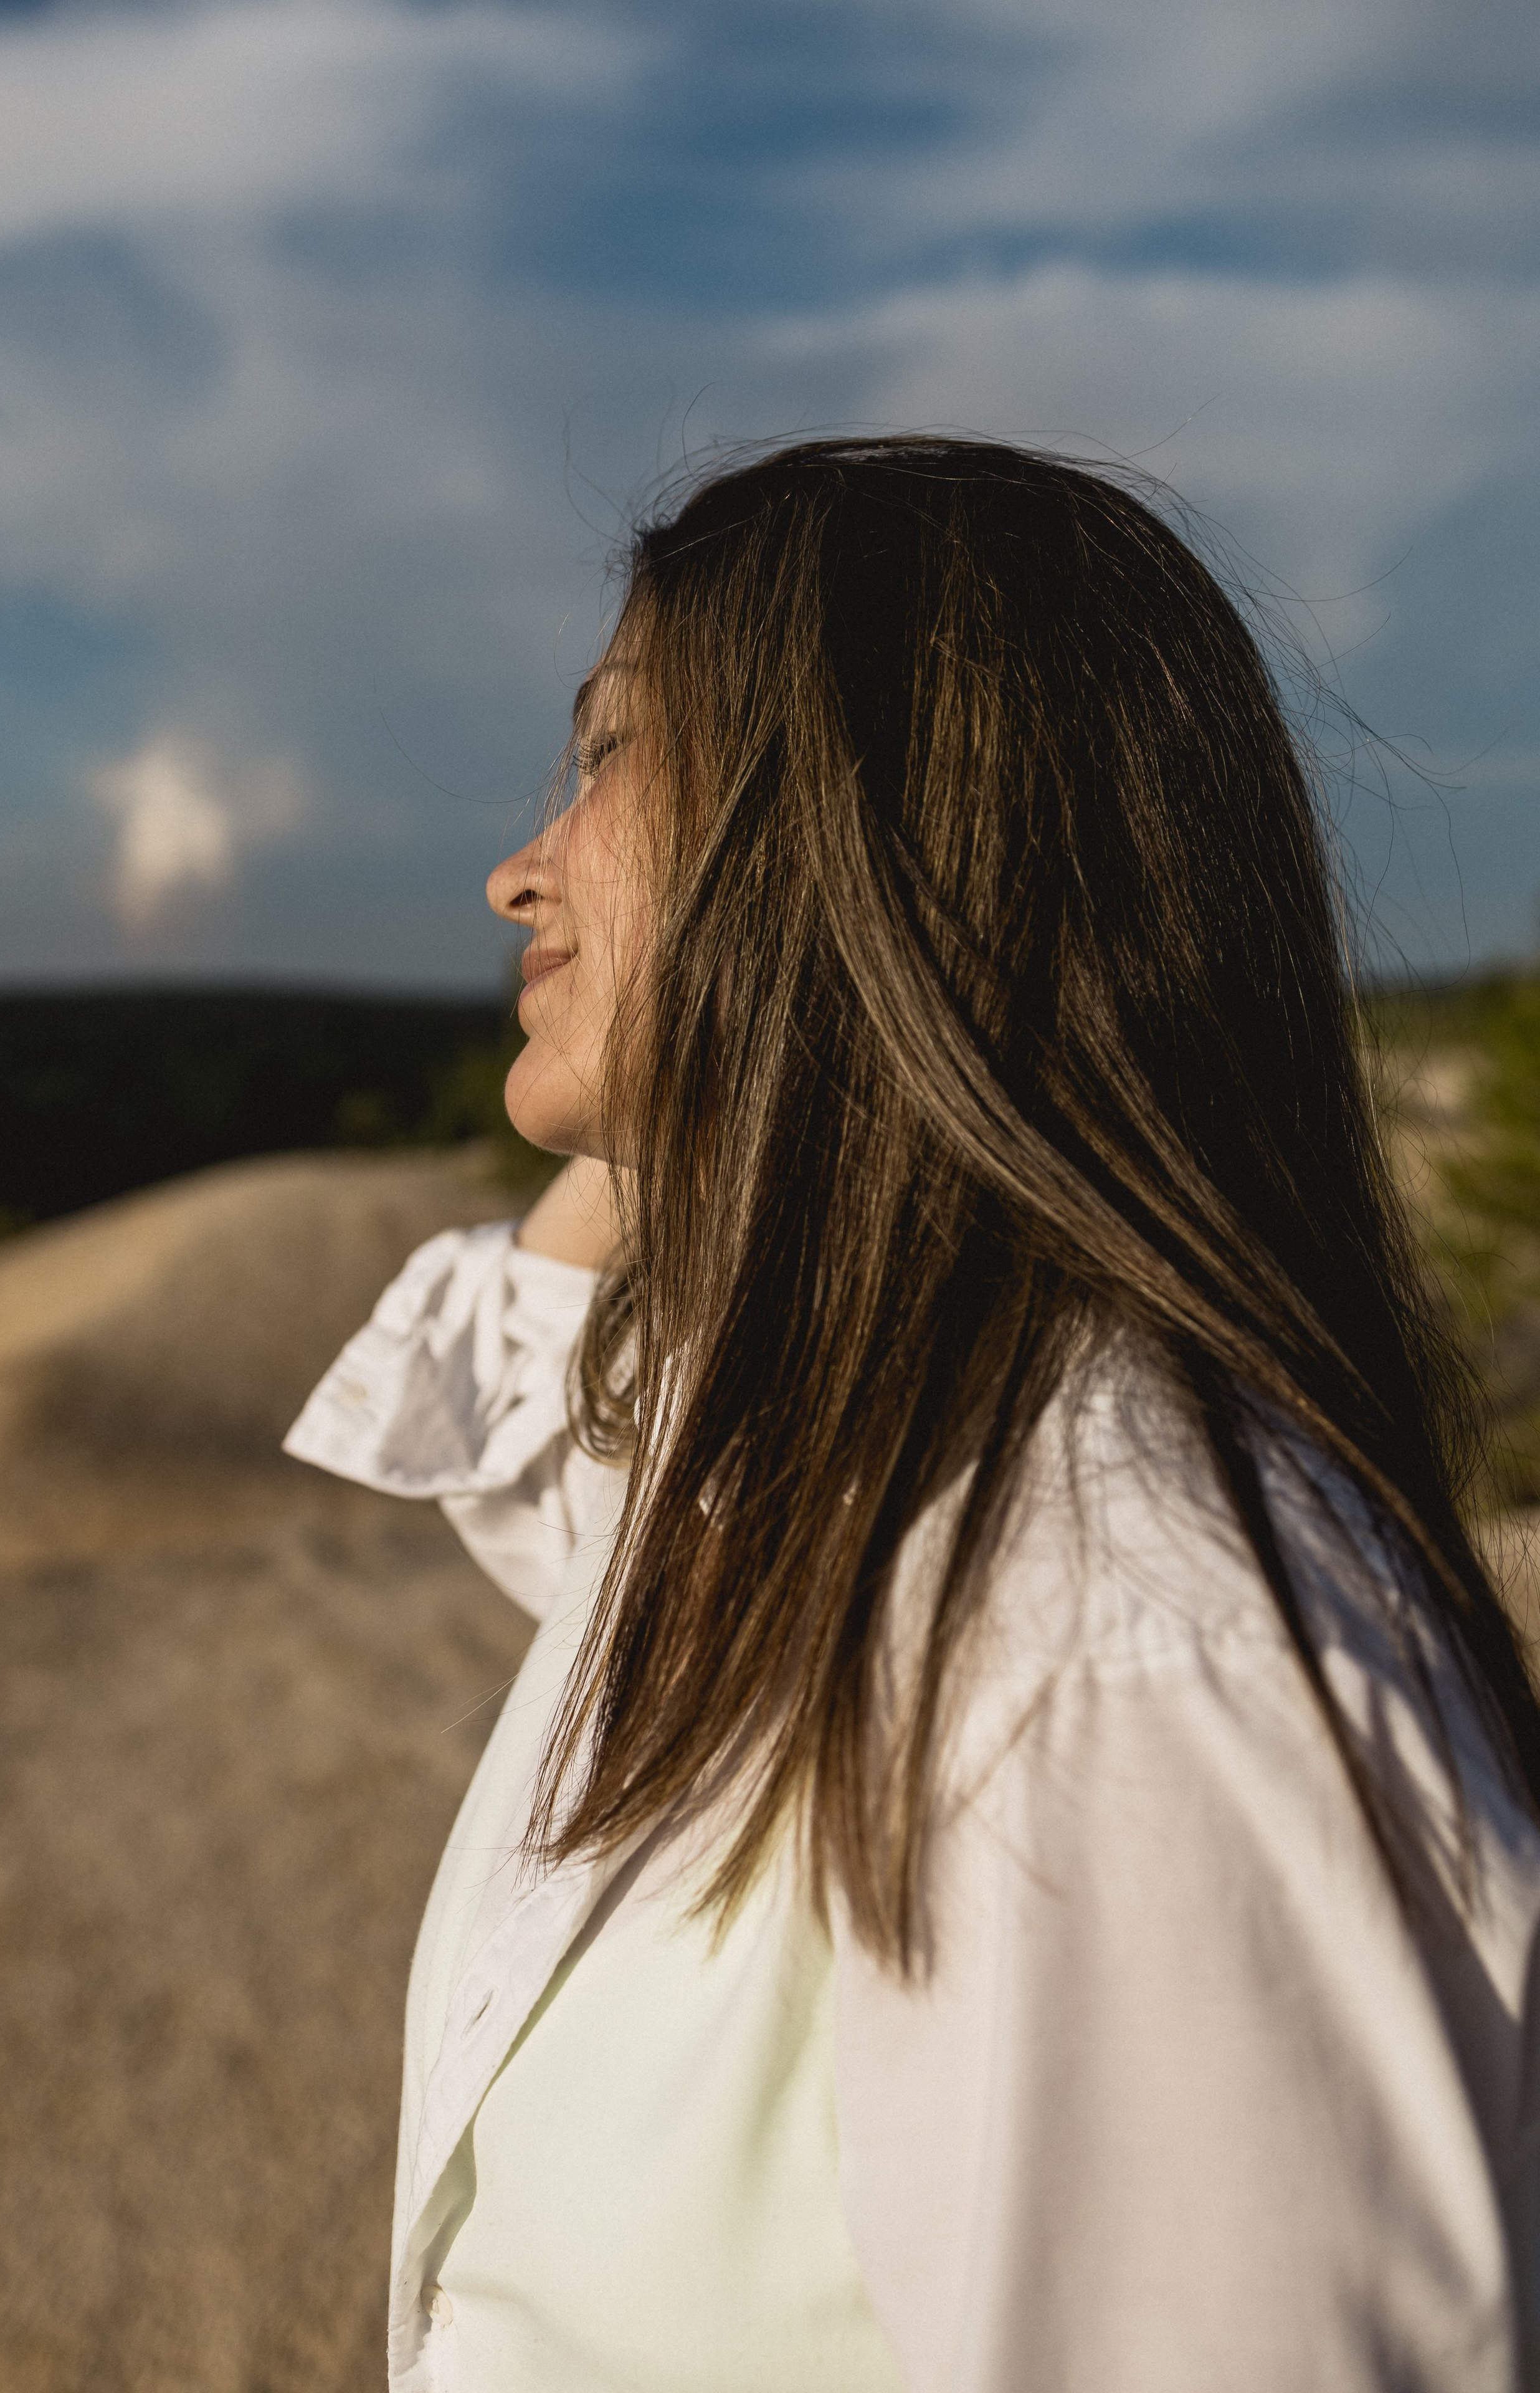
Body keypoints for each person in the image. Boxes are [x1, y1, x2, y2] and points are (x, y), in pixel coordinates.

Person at [285, 436, 1540, 2393]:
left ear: (863, 840)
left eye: (610, 754)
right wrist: (758, 1055)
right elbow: (545, 1388)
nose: (518, 866)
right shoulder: (803, 1483)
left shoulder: (1112, 1654)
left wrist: (819, 987)